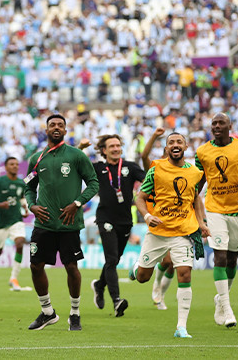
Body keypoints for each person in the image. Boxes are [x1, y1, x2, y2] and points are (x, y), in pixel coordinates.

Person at [131, 132, 211, 338]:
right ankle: (137, 268)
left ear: (185, 146)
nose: (175, 145)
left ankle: (181, 327)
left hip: (183, 232)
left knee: (184, 273)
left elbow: (196, 199)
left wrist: (202, 223)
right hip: (158, 232)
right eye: (171, 143)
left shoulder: (194, 172)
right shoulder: (156, 169)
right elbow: (140, 198)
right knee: (142, 278)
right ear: (166, 148)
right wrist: (147, 216)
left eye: (179, 142)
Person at [24, 114, 99, 331]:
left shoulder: (76, 156)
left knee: (71, 267)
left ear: (66, 131)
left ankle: (75, 313)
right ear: (46, 130)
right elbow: (28, 187)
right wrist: (32, 206)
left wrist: (77, 203)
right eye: (52, 125)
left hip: (69, 223)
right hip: (44, 223)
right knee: (35, 266)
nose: (56, 127)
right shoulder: (36, 159)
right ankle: (47, 312)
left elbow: (93, 183)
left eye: (60, 125)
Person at [195, 113, 238, 328]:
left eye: (221, 122)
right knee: (220, 257)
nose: (216, 126)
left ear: (229, 126)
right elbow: (198, 183)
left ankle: (220, 300)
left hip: (237, 210)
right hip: (214, 209)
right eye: (213, 123)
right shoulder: (202, 151)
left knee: (232, 260)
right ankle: (227, 307)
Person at [79, 135, 145, 317]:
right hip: (105, 218)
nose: (116, 148)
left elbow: (148, 179)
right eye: (112, 146)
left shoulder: (130, 167)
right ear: (104, 151)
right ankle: (116, 300)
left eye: (118, 145)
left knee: (114, 260)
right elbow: (77, 165)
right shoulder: (98, 168)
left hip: (125, 221)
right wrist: (82, 147)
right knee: (111, 258)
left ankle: (99, 286)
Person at [142, 128, 175, 310]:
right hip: (158, 221)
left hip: (179, 221)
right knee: (167, 261)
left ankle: (160, 294)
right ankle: (156, 285)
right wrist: (154, 136)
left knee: (174, 264)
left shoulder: (184, 171)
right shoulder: (155, 168)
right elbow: (144, 155)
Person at [0, 156, 29, 291]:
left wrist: (25, 208)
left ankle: (14, 278)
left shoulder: (21, 182)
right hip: (0, 222)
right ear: (6, 167)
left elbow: (22, 198)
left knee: (20, 243)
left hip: (16, 220)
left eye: (17, 164)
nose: (15, 166)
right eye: (12, 164)